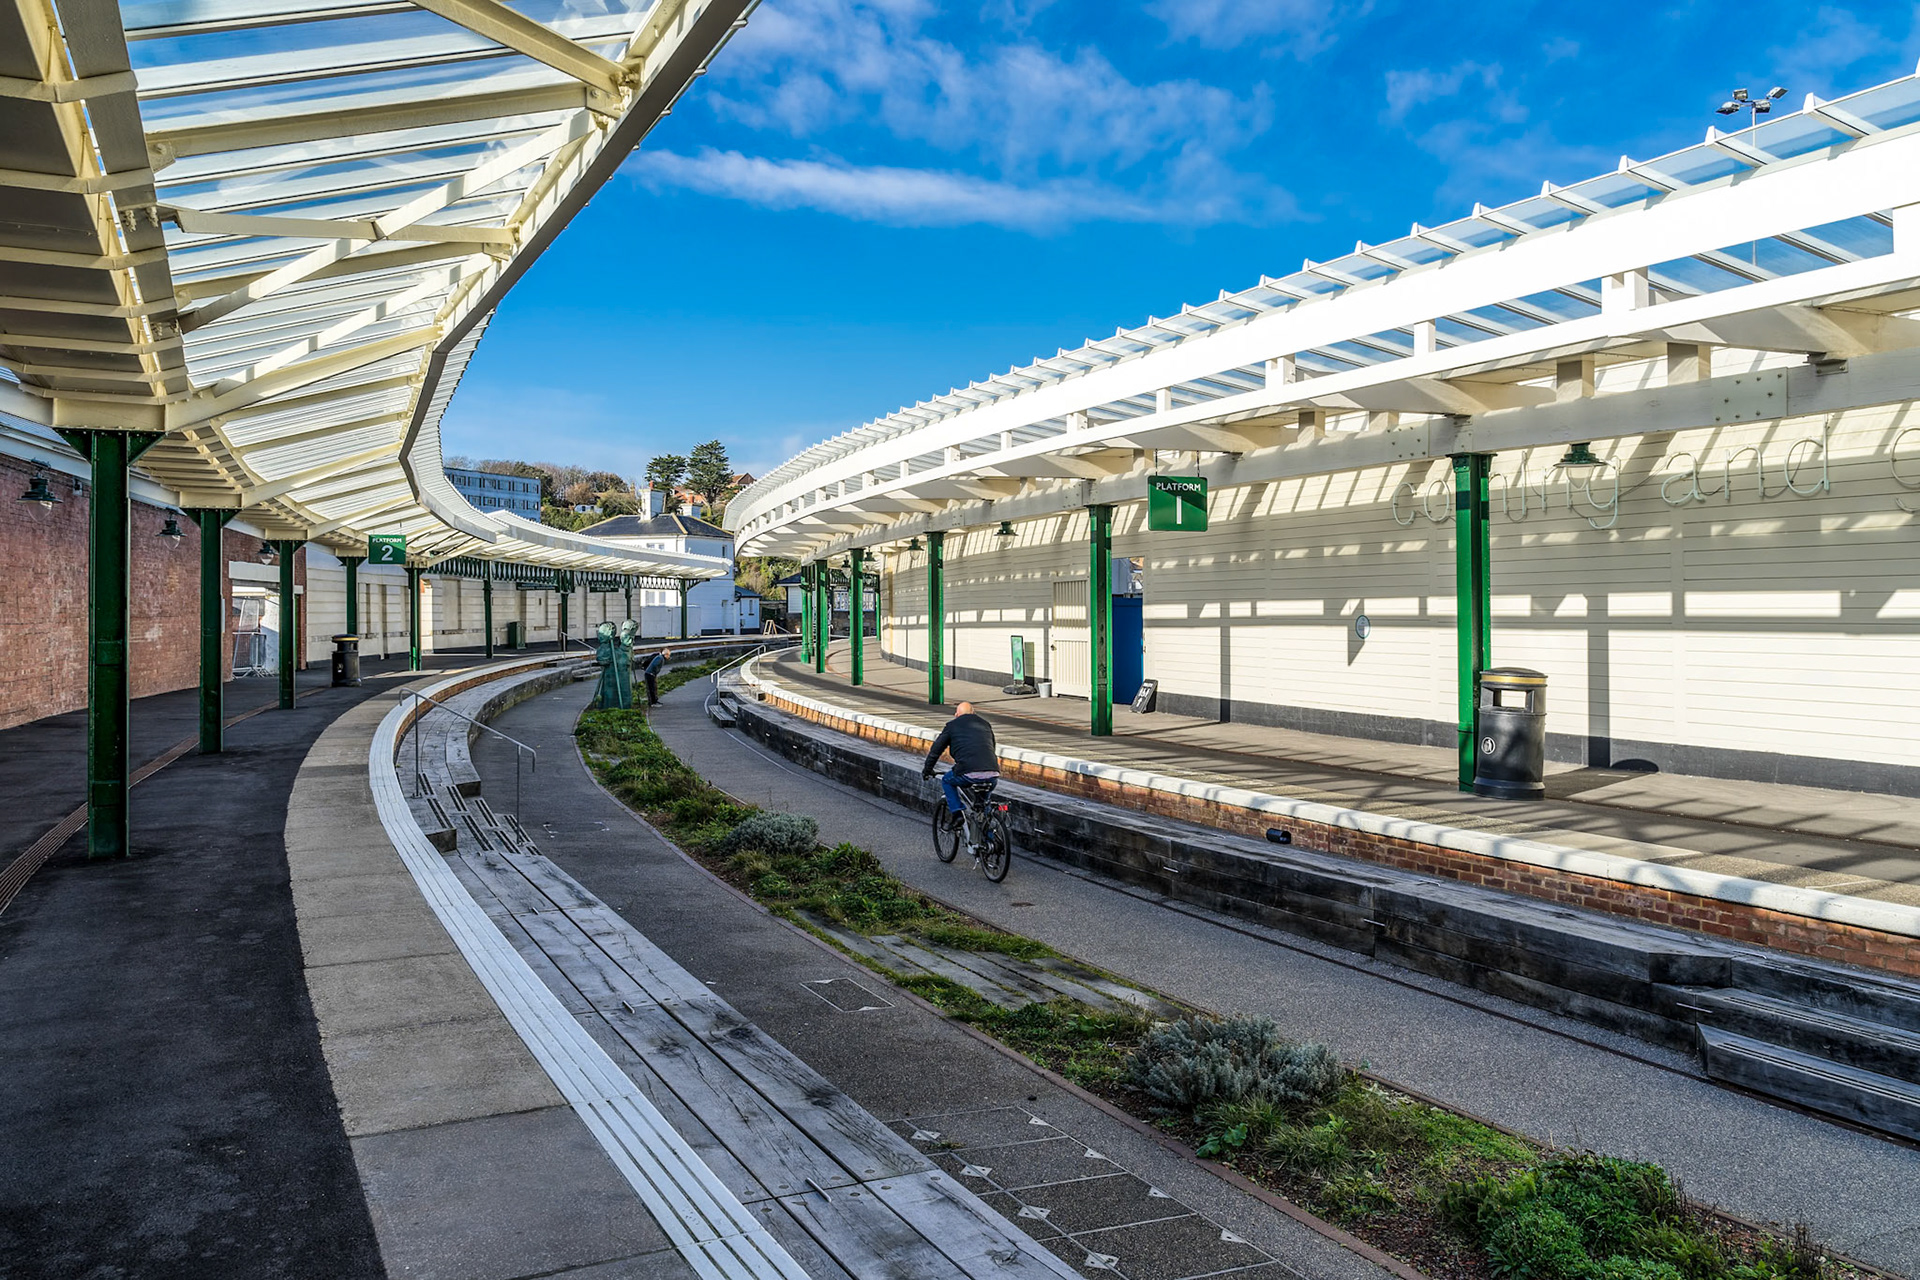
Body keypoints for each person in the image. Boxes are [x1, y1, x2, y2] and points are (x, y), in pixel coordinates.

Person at [921, 701, 999, 826]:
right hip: (992, 772)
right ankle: (991, 841)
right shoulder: (985, 724)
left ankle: (957, 813)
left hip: (967, 771)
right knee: (984, 807)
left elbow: (936, 750)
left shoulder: (952, 725)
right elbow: (991, 747)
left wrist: (927, 769)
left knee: (947, 780)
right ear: (973, 713)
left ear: (957, 715)